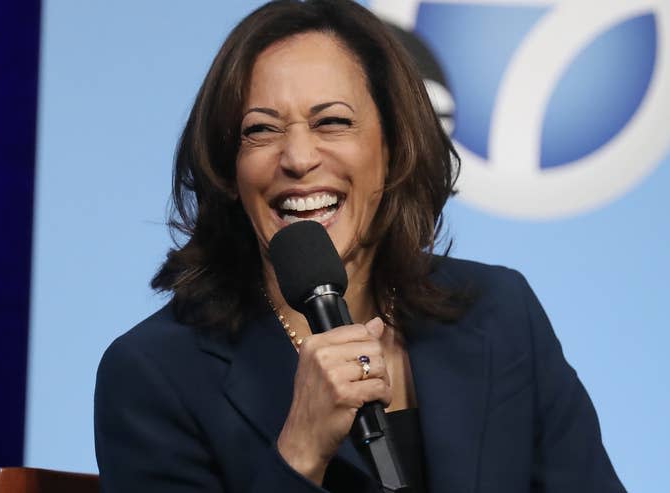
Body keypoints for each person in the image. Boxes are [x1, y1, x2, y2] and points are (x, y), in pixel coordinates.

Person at [93, 1, 626, 492]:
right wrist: (300, 449)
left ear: (393, 147)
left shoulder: (500, 312)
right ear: (229, 168)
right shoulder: (153, 373)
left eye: (333, 121)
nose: (298, 157)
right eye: (260, 131)